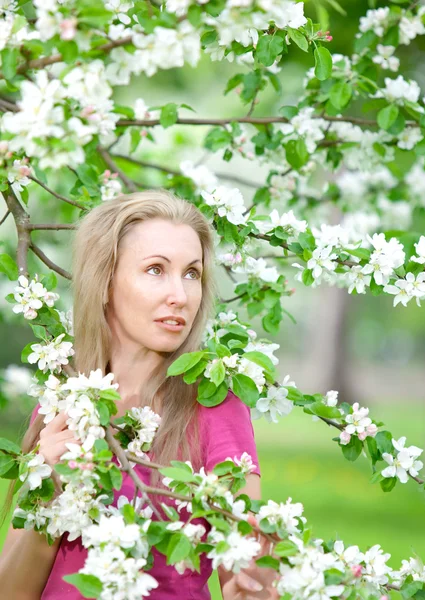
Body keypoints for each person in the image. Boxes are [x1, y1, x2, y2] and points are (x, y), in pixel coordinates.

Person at [0, 190, 278, 599]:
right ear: (106, 282)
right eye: (154, 270)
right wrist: (50, 490)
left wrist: (254, 586)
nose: (180, 296)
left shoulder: (214, 407)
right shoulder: (66, 402)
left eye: (191, 273)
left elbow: (244, 566)